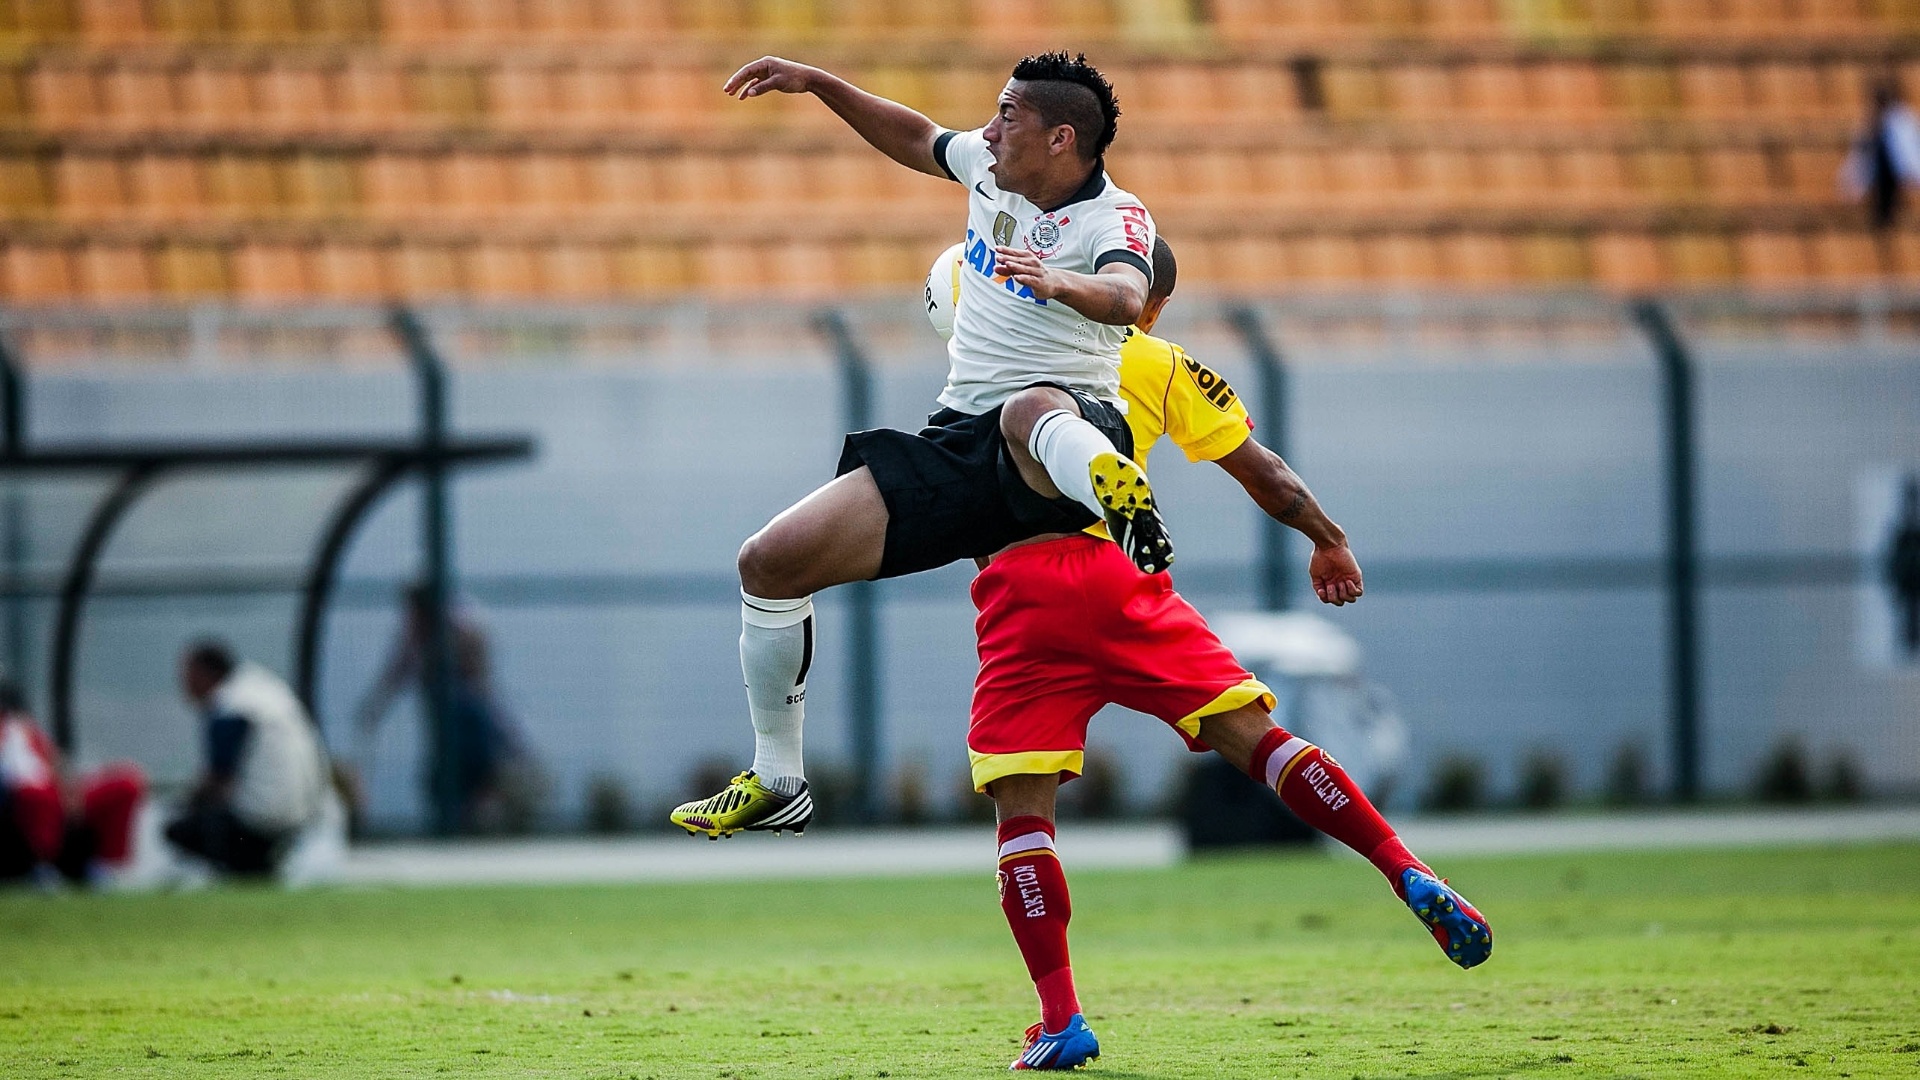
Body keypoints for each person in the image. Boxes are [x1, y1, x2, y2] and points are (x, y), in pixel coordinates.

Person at [958, 239, 1491, 1069]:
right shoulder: (1163, 362)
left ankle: (1061, 1018)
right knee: (1261, 742)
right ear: (1147, 305)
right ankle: (1405, 869)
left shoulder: (1004, 333)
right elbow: (1266, 474)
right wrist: (1329, 540)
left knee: (1023, 816)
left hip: (1023, 590)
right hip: (1121, 572)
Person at [673, 51, 1170, 838]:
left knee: (1030, 408)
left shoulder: (1115, 217)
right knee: (768, 562)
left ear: (1060, 139)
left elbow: (1126, 295)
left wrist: (1059, 282)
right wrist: (821, 83)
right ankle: (777, 778)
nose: (991, 125)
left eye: (1010, 115)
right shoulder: (988, 168)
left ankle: (1118, 494)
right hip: (961, 443)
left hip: (1070, 432)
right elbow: (916, 137)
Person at [356, 585, 521, 833]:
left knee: (479, 774)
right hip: (445, 717)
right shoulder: (420, 633)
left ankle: (479, 824)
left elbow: (479, 663)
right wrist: (376, 706)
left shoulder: (459, 622)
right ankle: (460, 825)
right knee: (444, 778)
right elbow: (401, 668)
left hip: (468, 714)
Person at [165, 641, 327, 876]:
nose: (184, 684)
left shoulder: (230, 705)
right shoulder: (262, 688)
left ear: (206, 672)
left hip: (261, 820)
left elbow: (218, 779)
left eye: (188, 674)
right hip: (304, 814)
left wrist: (182, 803)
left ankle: (242, 874)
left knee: (179, 829)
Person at [0, 681, 144, 888]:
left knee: (126, 783)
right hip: (27, 803)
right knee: (37, 793)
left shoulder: (28, 731)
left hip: (60, 798)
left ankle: (104, 865)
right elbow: (20, 776)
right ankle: (41, 866)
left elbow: (57, 764)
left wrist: (70, 791)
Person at [1841, 76, 1920, 231]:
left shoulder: (1902, 120)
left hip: (1895, 173)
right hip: (1882, 174)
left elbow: (1907, 153)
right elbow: (1861, 156)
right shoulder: (1872, 123)